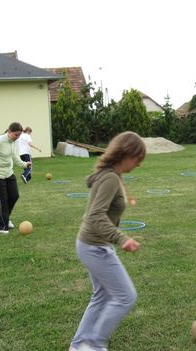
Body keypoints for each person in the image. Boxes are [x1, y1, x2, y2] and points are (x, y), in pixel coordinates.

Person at [70, 131, 145, 351]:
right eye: (138, 159)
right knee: (126, 296)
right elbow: (95, 215)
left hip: (93, 245)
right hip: (94, 247)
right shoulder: (110, 177)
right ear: (127, 154)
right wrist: (121, 238)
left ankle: (78, 345)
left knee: (102, 295)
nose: (139, 164)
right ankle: (92, 344)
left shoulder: (112, 174)